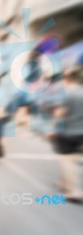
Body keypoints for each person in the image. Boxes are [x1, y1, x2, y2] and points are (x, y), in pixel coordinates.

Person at [50, 68, 83, 202]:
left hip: (68, 132)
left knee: (66, 159)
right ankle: (64, 183)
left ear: (65, 80)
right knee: (74, 157)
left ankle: (74, 191)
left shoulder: (66, 94)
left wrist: (52, 129)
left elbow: (59, 114)